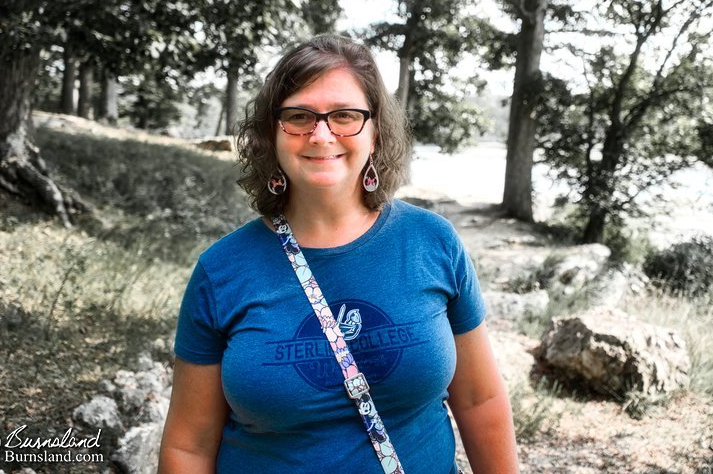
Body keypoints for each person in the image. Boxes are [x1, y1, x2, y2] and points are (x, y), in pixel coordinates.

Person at [158, 35, 518, 473]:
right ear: (271, 134)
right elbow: (188, 447)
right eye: (298, 116)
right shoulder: (222, 271)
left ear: (376, 129)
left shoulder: (433, 243)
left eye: (345, 115)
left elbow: (481, 402)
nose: (321, 134)